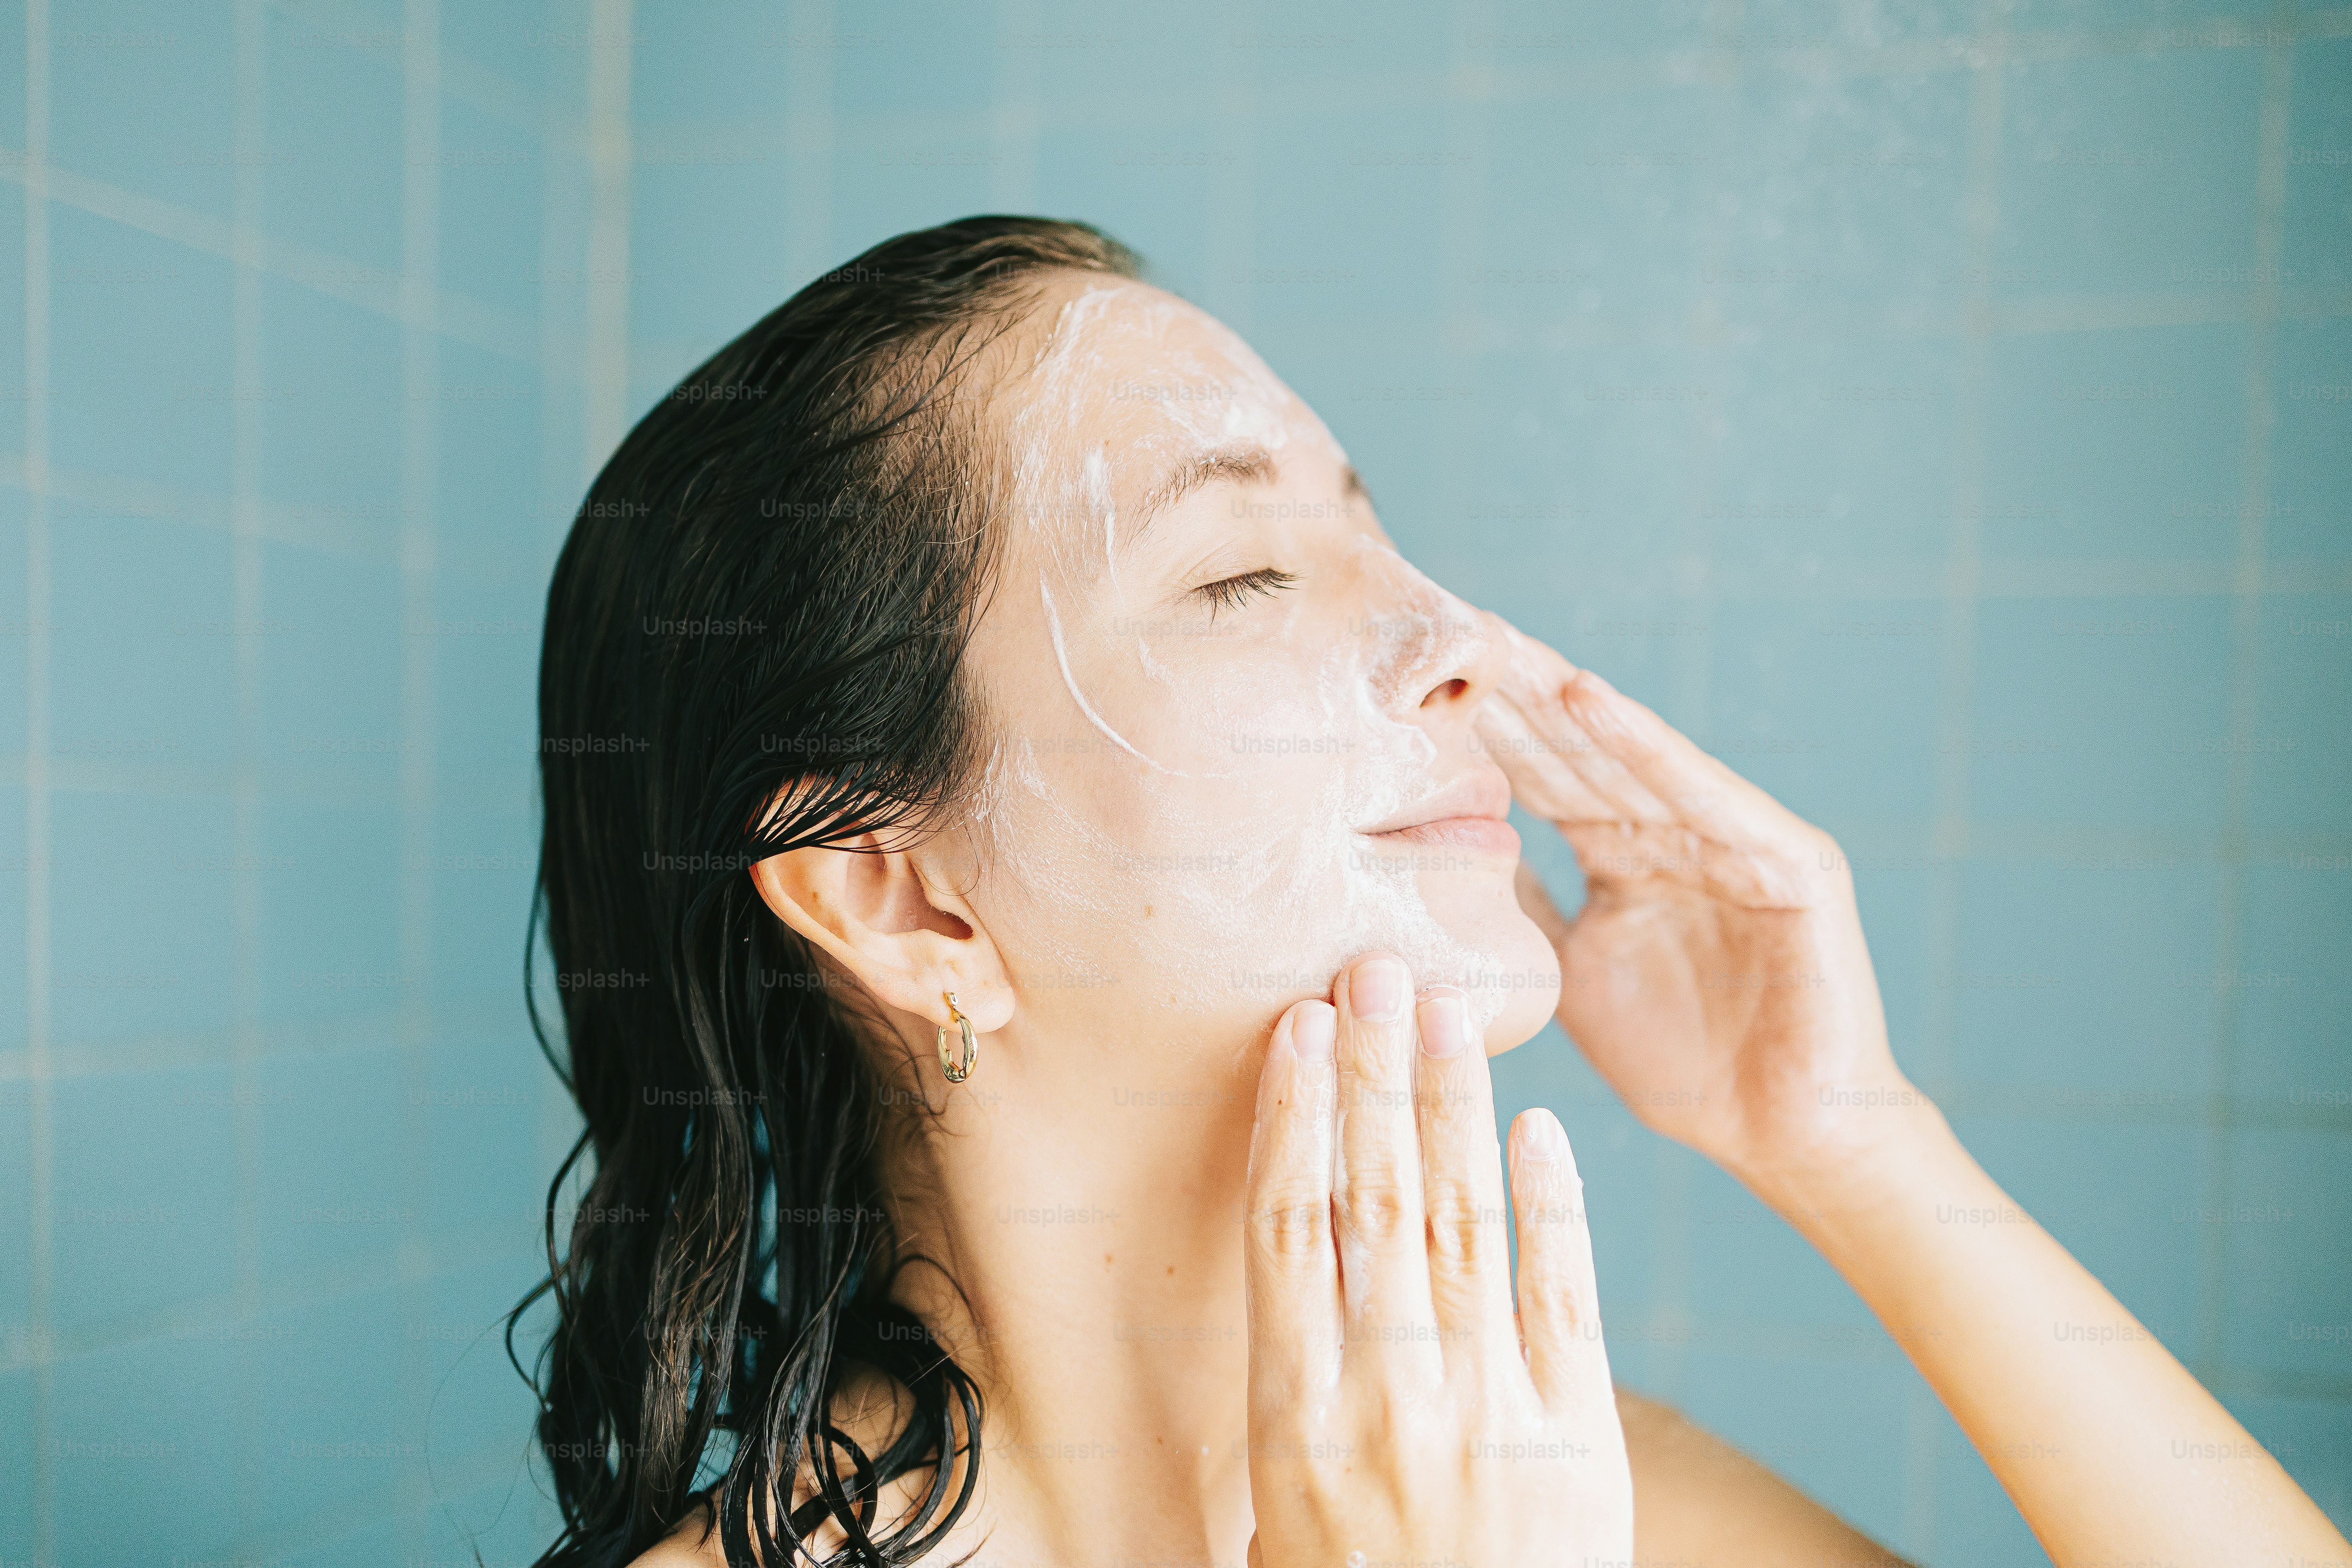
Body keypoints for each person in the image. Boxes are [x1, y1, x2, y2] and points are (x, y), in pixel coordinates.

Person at [521, 216, 2348, 1568]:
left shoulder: (1549, 1491)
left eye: (1374, 527)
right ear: (909, 903)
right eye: (1240, 569)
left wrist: (1853, 1136)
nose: (1458, 634)